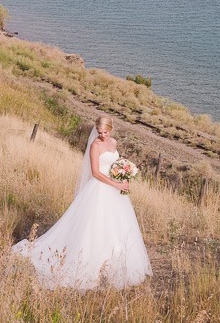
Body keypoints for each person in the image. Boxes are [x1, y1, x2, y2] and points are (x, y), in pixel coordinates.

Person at [11, 115, 152, 290]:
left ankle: (114, 262)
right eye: (100, 132)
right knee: (95, 225)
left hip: (115, 191)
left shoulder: (113, 143)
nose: (102, 135)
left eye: (105, 132)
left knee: (117, 225)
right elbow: (96, 173)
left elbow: (114, 165)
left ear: (111, 129)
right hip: (100, 189)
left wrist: (123, 177)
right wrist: (115, 183)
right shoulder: (95, 145)